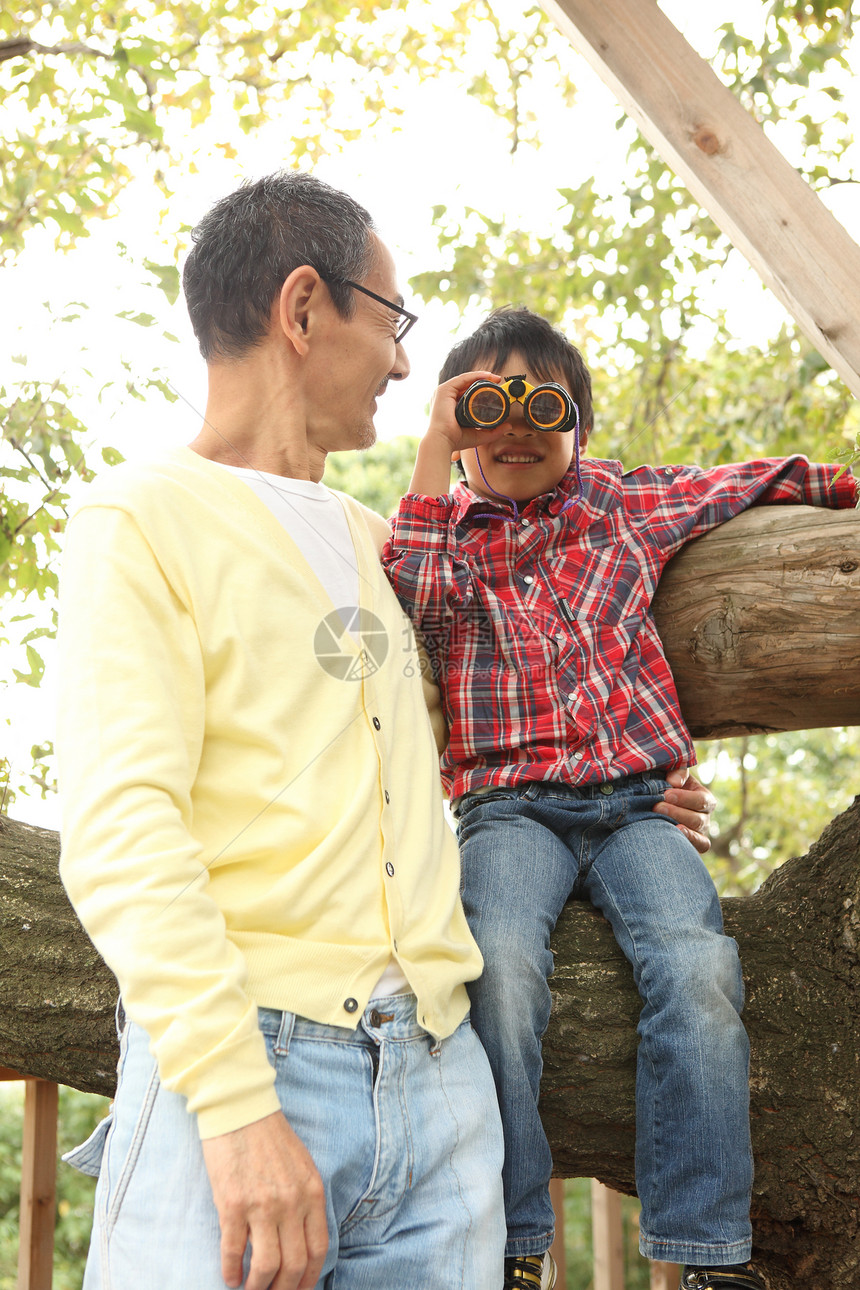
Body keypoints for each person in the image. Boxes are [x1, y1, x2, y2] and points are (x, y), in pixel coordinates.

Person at [55, 171, 513, 1290]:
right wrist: (236, 1105)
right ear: (303, 309)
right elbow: (122, 827)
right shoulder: (142, 518)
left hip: (441, 1080)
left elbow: (458, 750)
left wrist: (632, 793)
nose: (406, 364)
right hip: (246, 1074)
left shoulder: (375, 542)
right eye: (391, 320)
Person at [380, 305, 858, 1290]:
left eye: (541, 408)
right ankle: (510, 1242)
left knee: (695, 971)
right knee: (498, 971)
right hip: (510, 809)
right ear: (456, 429)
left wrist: (842, 488)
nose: (514, 428)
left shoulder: (624, 506)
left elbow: (753, 480)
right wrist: (434, 443)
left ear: (580, 430)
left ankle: (705, 1251)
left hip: (640, 805)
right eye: (484, 409)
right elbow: (417, 601)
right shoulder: (443, 539)